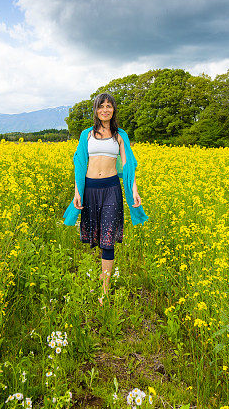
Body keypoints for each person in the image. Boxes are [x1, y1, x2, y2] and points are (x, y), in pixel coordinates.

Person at [62, 92, 149, 305]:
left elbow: (129, 167)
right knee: (96, 236)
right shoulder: (87, 135)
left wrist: (134, 191)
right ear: (96, 110)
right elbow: (79, 164)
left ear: (113, 110)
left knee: (108, 238)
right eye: (101, 106)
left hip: (111, 189)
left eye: (109, 106)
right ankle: (101, 274)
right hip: (90, 189)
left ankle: (104, 288)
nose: (105, 110)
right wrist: (77, 192)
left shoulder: (120, 135)